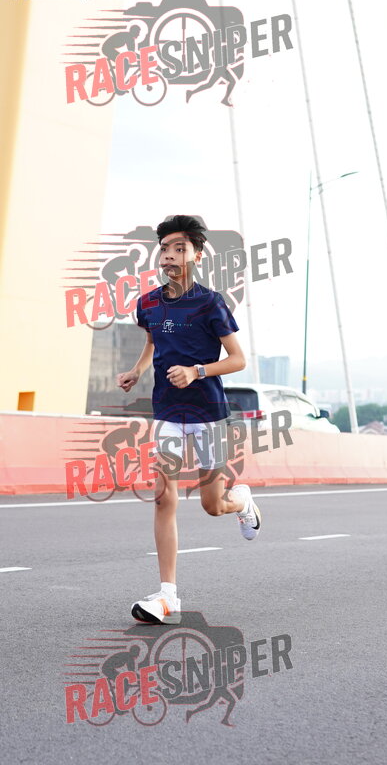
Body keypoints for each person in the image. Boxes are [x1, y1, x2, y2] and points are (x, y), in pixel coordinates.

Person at [116, 214, 261, 624]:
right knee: (164, 496)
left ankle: (242, 501)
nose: (169, 255)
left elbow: (238, 359)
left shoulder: (211, 303)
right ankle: (168, 596)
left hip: (208, 414)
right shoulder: (148, 303)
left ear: (196, 255)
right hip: (167, 410)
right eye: (164, 248)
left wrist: (197, 371)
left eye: (179, 248)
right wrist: (137, 370)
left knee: (213, 505)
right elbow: (152, 341)